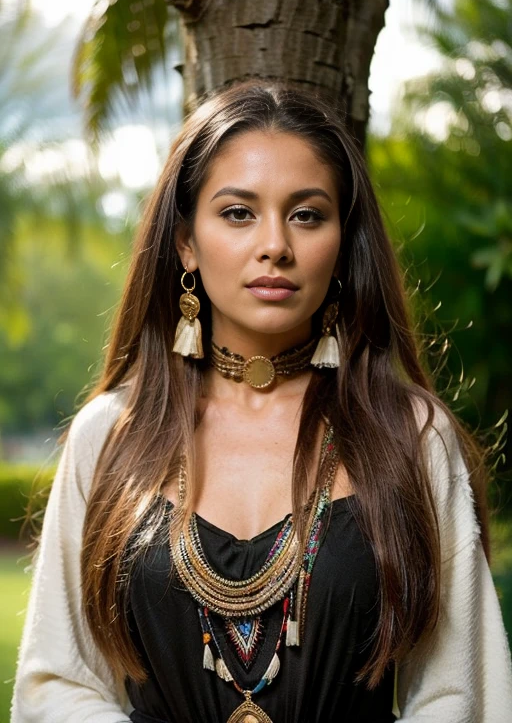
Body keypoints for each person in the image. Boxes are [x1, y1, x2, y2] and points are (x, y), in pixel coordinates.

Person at [11, 80, 512, 723]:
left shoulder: (412, 435)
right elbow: (55, 682)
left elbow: (459, 693)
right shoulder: (111, 435)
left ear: (342, 244)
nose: (275, 244)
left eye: (306, 214)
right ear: (186, 242)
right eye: (238, 213)